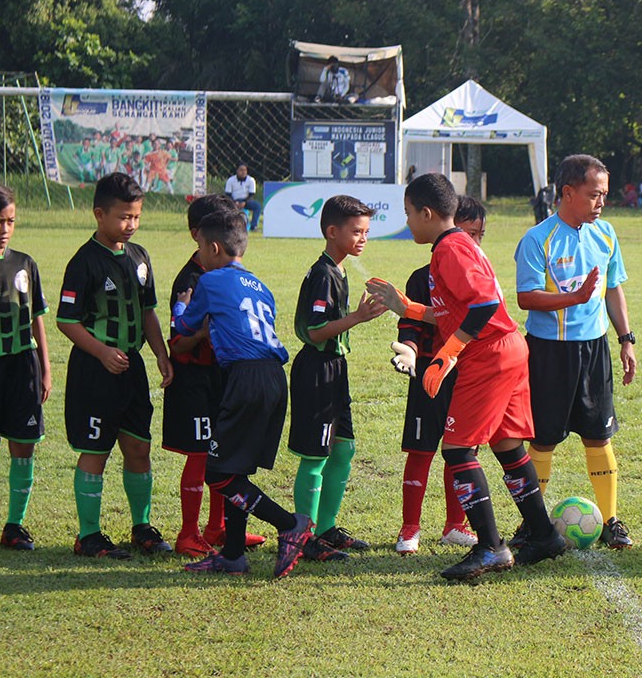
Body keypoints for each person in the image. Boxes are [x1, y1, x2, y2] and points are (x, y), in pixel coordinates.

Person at [366, 173, 565, 581]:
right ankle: (544, 534)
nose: (408, 223)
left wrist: (446, 355)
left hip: (488, 354)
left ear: (426, 213)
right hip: (506, 347)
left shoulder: (450, 249)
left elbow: (484, 305)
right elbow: (455, 310)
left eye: (409, 214)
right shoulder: (455, 246)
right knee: (507, 445)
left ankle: (491, 547)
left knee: (457, 450)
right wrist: (407, 308)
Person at [174, 210, 312, 578]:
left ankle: (288, 523)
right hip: (272, 377)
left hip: (244, 377)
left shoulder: (211, 281)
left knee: (218, 473)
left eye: (200, 247)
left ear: (214, 247)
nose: (198, 254)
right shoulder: (260, 285)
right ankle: (233, 554)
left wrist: (182, 303)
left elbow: (185, 327)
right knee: (234, 468)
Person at [513, 153, 637, 550]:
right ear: (568, 193)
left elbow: (614, 287)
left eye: (603, 194)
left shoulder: (606, 234)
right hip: (549, 353)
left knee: (599, 437)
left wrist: (626, 338)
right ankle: (532, 523)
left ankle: (612, 521)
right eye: (593, 194)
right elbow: (525, 298)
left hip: (595, 350)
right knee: (543, 440)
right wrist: (574, 298)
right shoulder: (537, 239)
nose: (601, 202)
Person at [57, 172, 174, 559]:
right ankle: (88, 536)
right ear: (99, 214)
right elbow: (67, 320)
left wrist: (159, 353)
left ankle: (141, 527)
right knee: (97, 450)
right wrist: (102, 352)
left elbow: (147, 312)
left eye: (136, 217)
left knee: (139, 448)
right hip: (95, 371)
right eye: (124, 217)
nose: (131, 225)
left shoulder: (139, 258)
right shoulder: (83, 262)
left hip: (132, 369)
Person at [163, 194, 266, 558]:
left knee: (223, 456)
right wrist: (203, 333)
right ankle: (188, 533)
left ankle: (218, 528)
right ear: (202, 237)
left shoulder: (232, 276)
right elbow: (178, 341)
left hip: (226, 379)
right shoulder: (191, 279)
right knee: (200, 456)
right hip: (196, 381)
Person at [288, 195, 388, 561]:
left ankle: (327, 528)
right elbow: (314, 331)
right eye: (356, 232)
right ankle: (305, 537)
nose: (363, 238)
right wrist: (358, 318)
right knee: (315, 456)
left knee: (343, 448)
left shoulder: (340, 269)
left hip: (335, 369)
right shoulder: (324, 274)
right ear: (332, 232)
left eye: (366, 232)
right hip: (316, 370)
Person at [392, 196, 487, 554]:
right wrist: (410, 351)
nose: (473, 243)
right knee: (421, 450)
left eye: (480, 235)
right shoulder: (421, 279)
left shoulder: (478, 278)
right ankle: (410, 528)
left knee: (460, 450)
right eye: (468, 233)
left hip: (466, 375)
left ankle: (455, 525)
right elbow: (411, 325)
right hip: (430, 374)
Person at [0, 182, 51, 551]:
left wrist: (46, 368)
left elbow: (37, 318)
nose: (4, 230)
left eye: (11, 221)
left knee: (24, 444)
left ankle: (15, 526)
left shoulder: (25, 264)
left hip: (23, 366)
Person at [224, 164, 261, 232]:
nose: (243, 172)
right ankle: (228, 225)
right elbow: (228, 194)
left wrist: (244, 202)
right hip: (234, 200)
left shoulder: (251, 180)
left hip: (246, 201)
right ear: (237, 171)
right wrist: (234, 202)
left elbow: (251, 194)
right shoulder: (231, 180)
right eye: (241, 170)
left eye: (245, 170)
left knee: (257, 206)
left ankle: (253, 226)